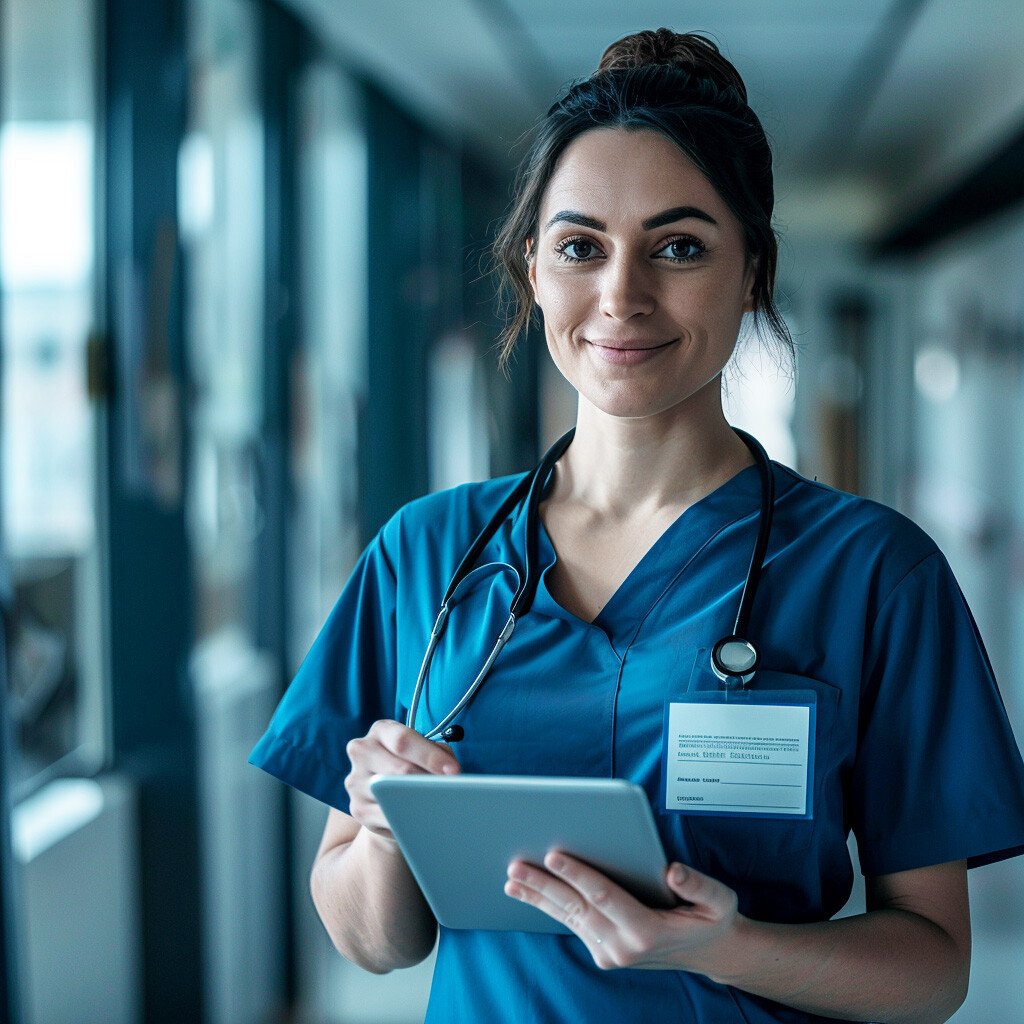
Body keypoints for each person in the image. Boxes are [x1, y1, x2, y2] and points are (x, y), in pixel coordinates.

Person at [249, 27, 1024, 1024]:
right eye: (581, 246)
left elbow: (932, 969)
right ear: (534, 268)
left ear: (751, 272)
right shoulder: (426, 554)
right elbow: (373, 941)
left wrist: (733, 946)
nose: (622, 295)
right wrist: (387, 827)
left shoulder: (873, 572)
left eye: (679, 245)